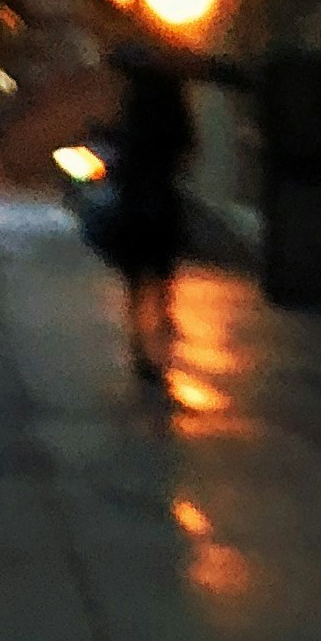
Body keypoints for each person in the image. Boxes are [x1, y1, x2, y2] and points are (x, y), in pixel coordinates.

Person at [103, 40, 197, 384]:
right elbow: (188, 148)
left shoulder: (134, 102)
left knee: (134, 276)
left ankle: (140, 346)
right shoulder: (174, 103)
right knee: (161, 273)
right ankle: (162, 326)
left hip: (135, 196)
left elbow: (122, 150)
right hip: (163, 194)